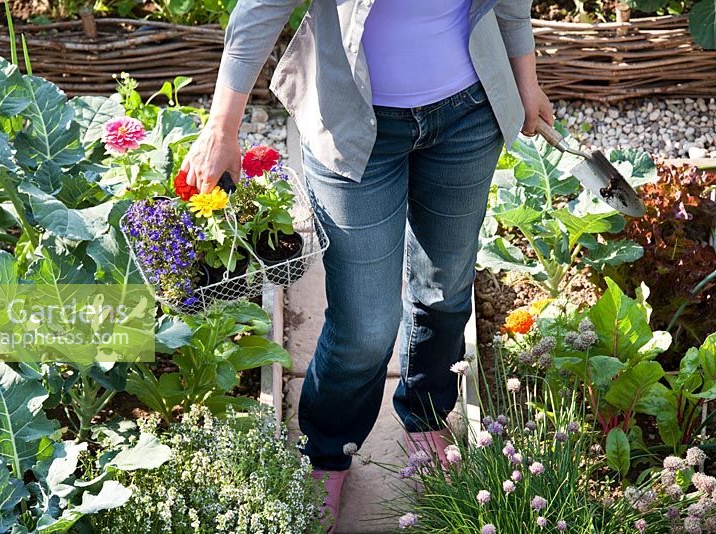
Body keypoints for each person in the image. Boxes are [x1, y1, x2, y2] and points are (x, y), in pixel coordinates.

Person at [180, 0, 553, 529]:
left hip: (468, 113)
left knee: (445, 288)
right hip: (351, 120)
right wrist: (222, 125)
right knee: (363, 324)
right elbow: (260, 9)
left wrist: (526, 77)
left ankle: (426, 412)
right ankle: (329, 449)